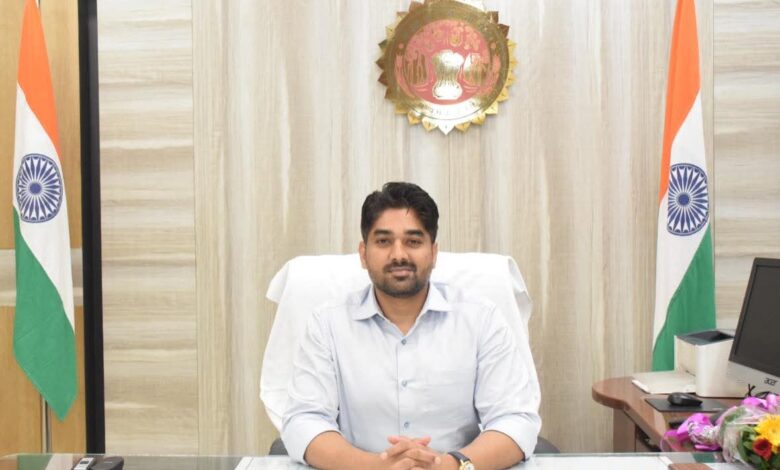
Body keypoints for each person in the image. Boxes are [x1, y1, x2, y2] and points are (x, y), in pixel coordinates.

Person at [281, 182, 541, 470]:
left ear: (434, 252)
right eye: (383, 241)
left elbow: (515, 420)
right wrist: (376, 467)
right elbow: (304, 421)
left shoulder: (481, 319)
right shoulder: (327, 324)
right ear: (363, 254)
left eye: (413, 241)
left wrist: (448, 466)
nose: (399, 255)